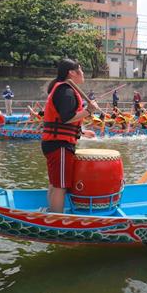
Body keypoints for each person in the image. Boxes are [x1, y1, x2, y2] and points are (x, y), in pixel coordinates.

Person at [41, 58, 99, 213]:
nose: (83, 73)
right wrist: (89, 111)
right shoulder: (66, 91)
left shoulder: (64, 89)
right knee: (60, 185)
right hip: (59, 144)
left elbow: (63, 120)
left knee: (55, 183)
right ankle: (56, 219)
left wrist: (81, 132)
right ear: (72, 73)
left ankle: (52, 214)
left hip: (56, 142)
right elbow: (67, 117)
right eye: (81, 70)